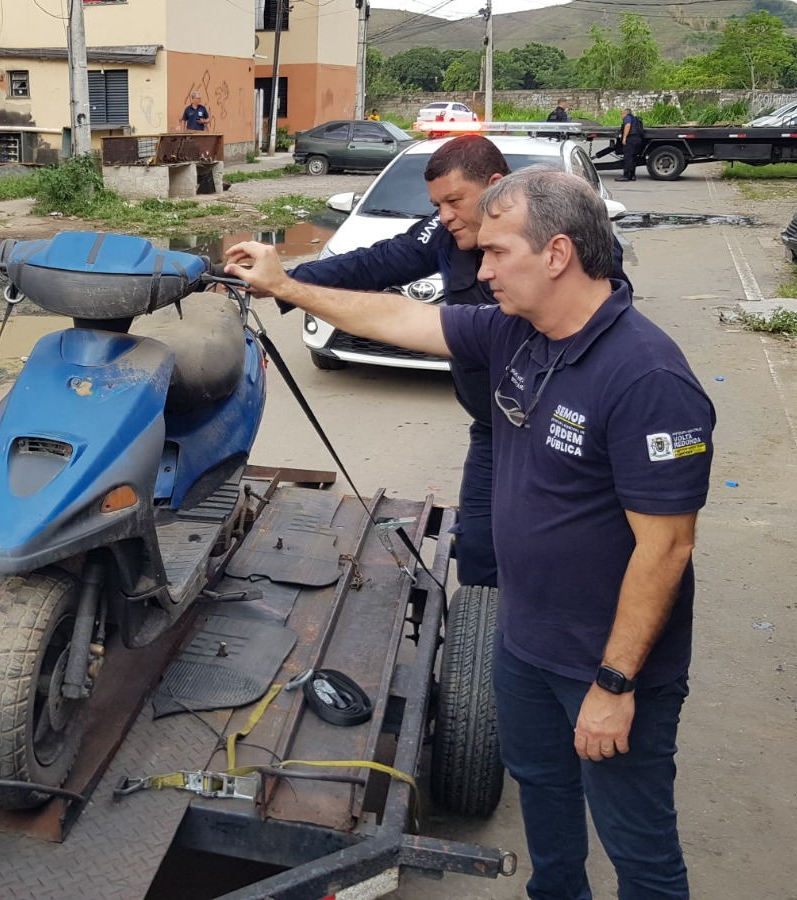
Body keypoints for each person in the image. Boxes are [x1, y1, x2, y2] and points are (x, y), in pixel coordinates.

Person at [223, 167, 712, 900]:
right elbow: (396, 319)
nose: (478, 272)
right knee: (544, 793)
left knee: (637, 844)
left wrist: (614, 684)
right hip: (522, 640)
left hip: (603, 664)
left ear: (556, 254)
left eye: (494, 254)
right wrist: (286, 284)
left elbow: (667, 547)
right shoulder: (518, 332)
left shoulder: (647, 378)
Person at [270, 135, 629, 589]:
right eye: (437, 204)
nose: (444, 215)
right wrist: (283, 282)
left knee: (559, 556)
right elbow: (376, 264)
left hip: (562, 430)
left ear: (496, 186)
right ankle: (481, 631)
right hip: (494, 426)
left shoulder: (574, 245)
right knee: (479, 547)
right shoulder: (448, 232)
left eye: (454, 200)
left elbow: (603, 324)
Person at [619, 107, 644, 181]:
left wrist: (624, 138)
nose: (621, 116)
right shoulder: (636, 119)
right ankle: (632, 176)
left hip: (631, 139)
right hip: (638, 139)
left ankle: (626, 176)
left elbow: (628, 125)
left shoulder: (628, 118)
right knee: (633, 158)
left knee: (628, 157)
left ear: (625, 113)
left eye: (622, 114)